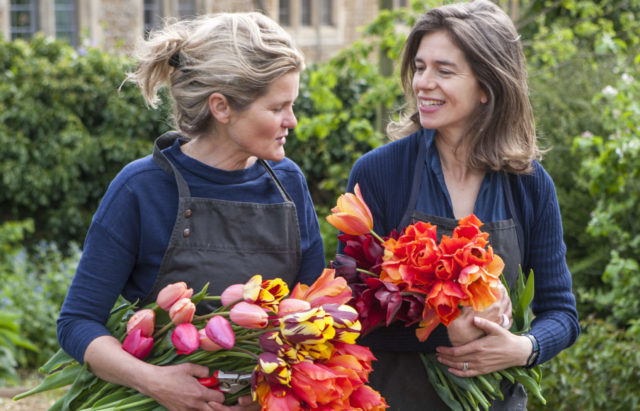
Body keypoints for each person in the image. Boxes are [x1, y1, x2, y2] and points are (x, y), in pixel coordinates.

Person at [57, 12, 325, 411]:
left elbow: (319, 311)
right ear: (221, 107)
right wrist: (155, 381)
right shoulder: (141, 188)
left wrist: (272, 391)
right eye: (277, 108)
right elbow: (77, 323)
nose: (292, 121)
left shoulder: (288, 184)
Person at [341, 1, 580, 409]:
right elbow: (348, 311)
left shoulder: (529, 184)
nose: (423, 83)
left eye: (444, 71)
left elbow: (561, 313)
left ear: (487, 87)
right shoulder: (380, 172)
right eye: (420, 67)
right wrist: (443, 334)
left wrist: (525, 347)